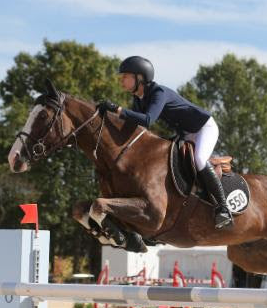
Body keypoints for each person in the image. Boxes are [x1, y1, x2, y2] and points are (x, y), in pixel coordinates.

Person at [97, 56, 233, 230]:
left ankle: (223, 208)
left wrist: (117, 109)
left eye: (125, 76)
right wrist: (107, 117)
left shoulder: (158, 92)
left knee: (199, 159)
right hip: (185, 134)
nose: (121, 80)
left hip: (203, 127)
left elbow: (147, 120)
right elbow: (135, 127)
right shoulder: (139, 100)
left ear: (140, 77)